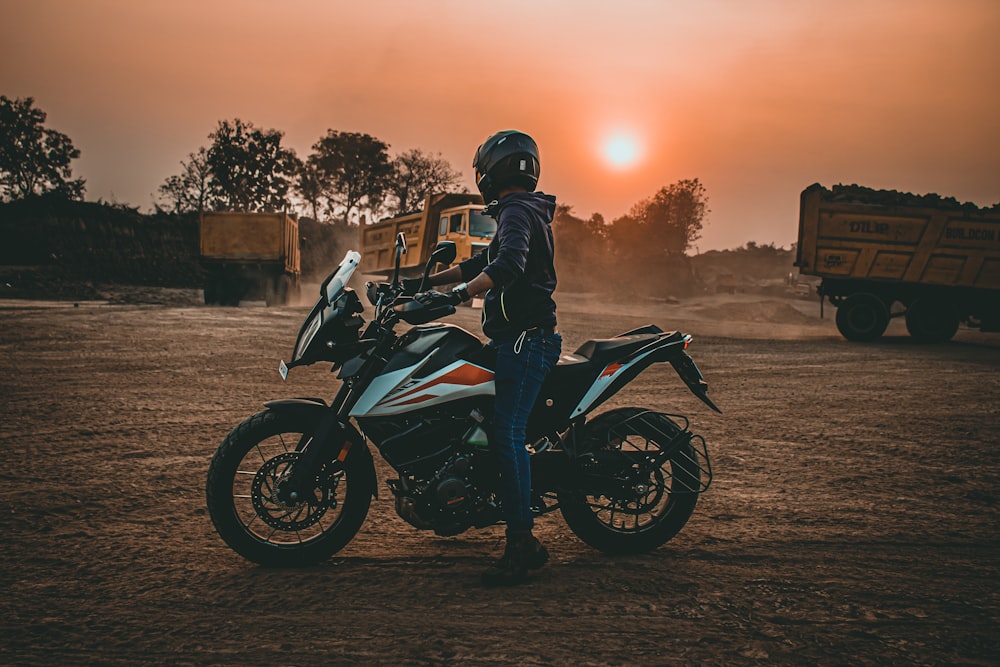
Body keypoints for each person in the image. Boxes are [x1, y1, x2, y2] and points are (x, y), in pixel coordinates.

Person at [410, 130, 561, 586]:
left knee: (507, 433)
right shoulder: (522, 210)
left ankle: (521, 543)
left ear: (489, 171)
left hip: (526, 342)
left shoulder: (518, 211)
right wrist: (427, 283)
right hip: (516, 340)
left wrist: (458, 294)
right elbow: (481, 264)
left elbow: (508, 265)